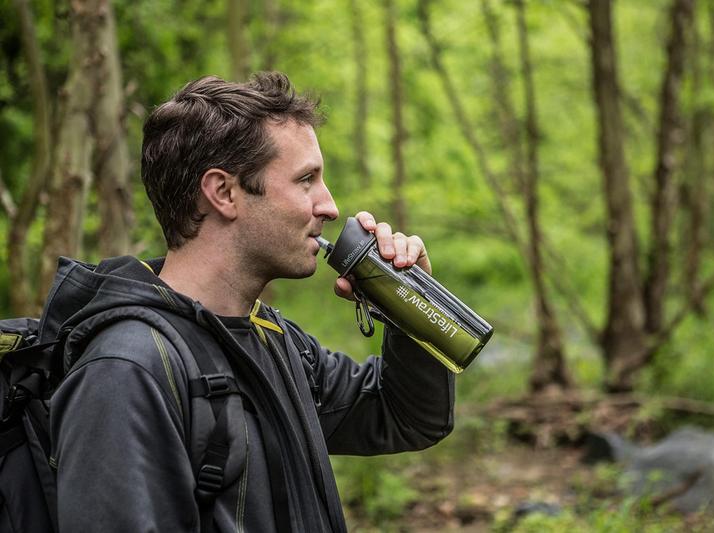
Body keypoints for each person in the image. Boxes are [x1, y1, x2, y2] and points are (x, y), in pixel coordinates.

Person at [43, 72, 454, 532]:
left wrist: (409, 302)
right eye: (306, 180)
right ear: (223, 192)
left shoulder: (273, 340)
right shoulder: (126, 371)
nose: (330, 205)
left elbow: (404, 416)